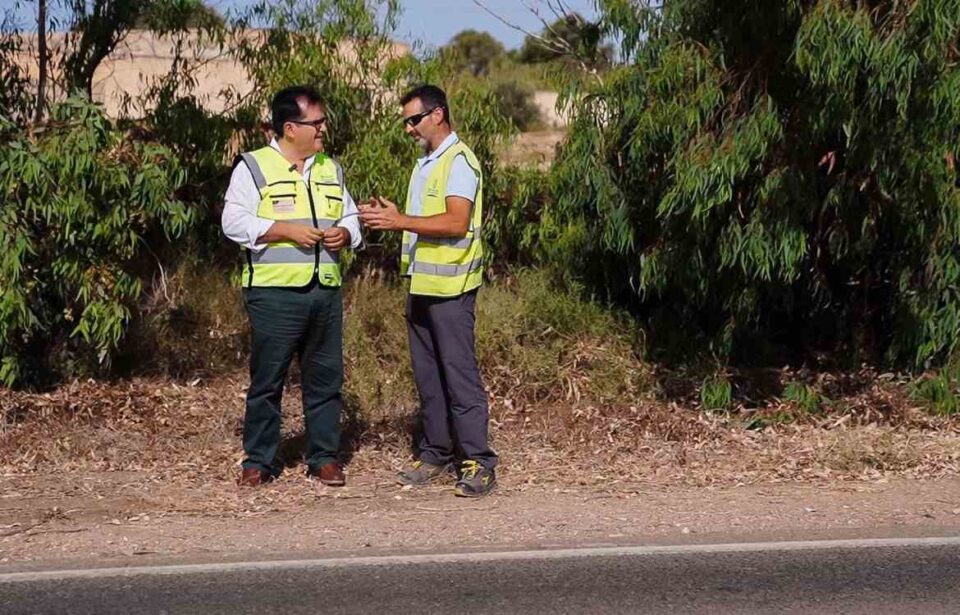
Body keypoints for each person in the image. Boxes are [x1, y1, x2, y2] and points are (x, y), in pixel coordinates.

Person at [360, 84, 498, 497]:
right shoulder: (426, 162)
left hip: (451, 289)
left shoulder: (459, 161)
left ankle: (479, 462)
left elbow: (457, 222)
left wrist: (399, 221)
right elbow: (418, 220)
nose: (408, 128)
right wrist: (390, 217)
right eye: (405, 121)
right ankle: (436, 452)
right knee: (429, 378)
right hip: (421, 286)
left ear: (438, 115)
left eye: (413, 119)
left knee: (459, 378)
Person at [222, 85, 362, 487]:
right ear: (289, 128)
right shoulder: (253, 167)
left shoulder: (330, 168)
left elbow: (351, 216)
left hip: (325, 291)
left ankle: (324, 458)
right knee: (269, 380)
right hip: (274, 294)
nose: (323, 129)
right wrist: (283, 232)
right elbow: (233, 223)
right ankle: (259, 461)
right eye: (315, 123)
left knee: (325, 378)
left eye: (322, 122)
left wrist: (346, 234)